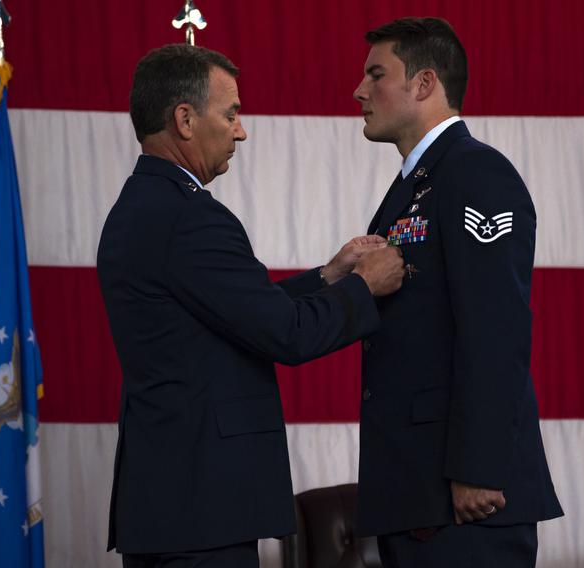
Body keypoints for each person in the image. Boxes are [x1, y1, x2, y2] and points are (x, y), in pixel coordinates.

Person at [96, 44, 405, 568]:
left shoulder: (143, 206)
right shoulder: (189, 218)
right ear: (185, 120)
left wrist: (329, 275)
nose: (241, 131)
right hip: (200, 512)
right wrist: (365, 287)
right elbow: (286, 334)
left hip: (175, 507)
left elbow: (227, 318)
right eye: (232, 113)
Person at [351, 17, 564, 567]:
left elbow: (496, 329)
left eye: (377, 74)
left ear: (424, 84)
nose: (360, 90)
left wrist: (479, 467)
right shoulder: (420, 183)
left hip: (465, 497)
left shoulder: (475, 174)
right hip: (418, 489)